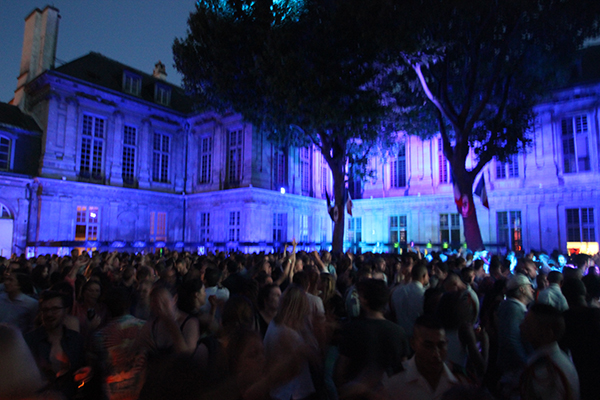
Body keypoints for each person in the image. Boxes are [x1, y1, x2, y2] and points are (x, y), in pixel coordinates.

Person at [335, 279, 409, 399]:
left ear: (364, 299)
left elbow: (340, 370)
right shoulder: (398, 332)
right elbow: (403, 370)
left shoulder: (352, 329)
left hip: (357, 395)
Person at [25, 291, 90, 400]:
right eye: (45, 310)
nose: (49, 314)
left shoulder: (76, 340)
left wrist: (86, 372)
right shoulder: (29, 341)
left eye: (55, 309)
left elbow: (81, 368)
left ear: (65, 311)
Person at [383, 315, 460, 400]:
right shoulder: (393, 382)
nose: (436, 354)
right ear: (413, 344)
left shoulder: (461, 380)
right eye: (428, 346)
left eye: (441, 345)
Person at [263, 284, 318, 400]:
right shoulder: (287, 333)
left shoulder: (275, 324)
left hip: (280, 391)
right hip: (290, 393)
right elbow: (314, 357)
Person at [519, 303, 580, 400]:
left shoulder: (547, 371)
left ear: (547, 333)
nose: (521, 326)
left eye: (528, 324)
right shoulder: (558, 359)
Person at [496, 273, 534, 399]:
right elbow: (511, 339)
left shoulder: (511, 307)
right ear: (522, 289)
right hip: (515, 369)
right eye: (529, 287)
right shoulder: (513, 309)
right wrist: (525, 362)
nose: (532, 289)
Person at [392, 263, 429, 337]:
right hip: (418, 335)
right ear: (424, 276)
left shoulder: (397, 291)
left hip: (399, 333)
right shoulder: (424, 294)